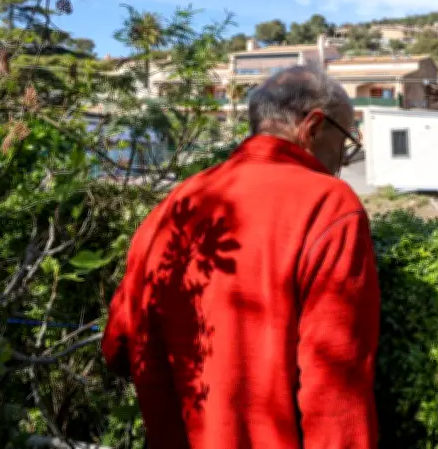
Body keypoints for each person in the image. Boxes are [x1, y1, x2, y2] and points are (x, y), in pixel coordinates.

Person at [102, 66, 380, 449]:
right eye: (344, 139)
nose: (343, 160)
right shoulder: (328, 204)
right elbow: (334, 386)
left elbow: (118, 346)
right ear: (313, 127)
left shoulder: (179, 201)